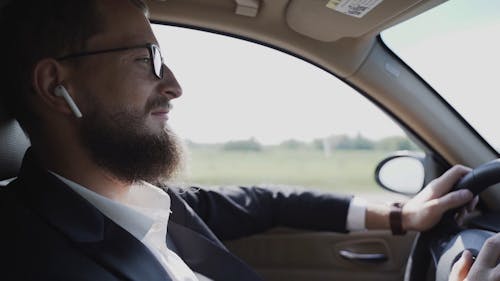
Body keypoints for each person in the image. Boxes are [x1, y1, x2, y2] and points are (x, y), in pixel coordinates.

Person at [0, 0, 477, 280]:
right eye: (145, 58)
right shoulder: (32, 258)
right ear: (54, 87)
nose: (173, 85)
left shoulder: (144, 202)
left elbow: (265, 202)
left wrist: (402, 217)